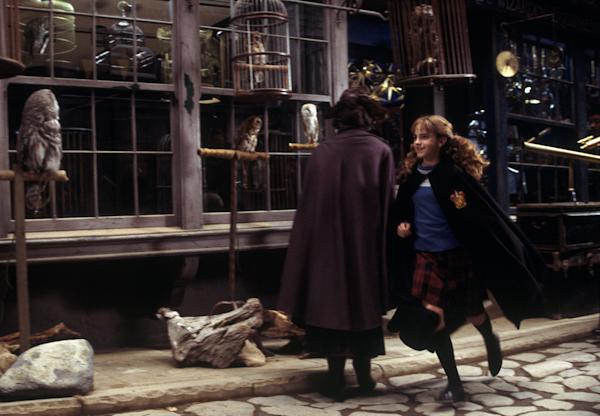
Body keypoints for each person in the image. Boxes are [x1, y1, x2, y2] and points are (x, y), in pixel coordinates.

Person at [390, 115, 546, 403]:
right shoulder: (412, 178)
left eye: (424, 137)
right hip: (426, 256)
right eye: (416, 137)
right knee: (432, 316)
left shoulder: (453, 176)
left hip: (456, 255)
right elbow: (402, 212)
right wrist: (403, 227)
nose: (417, 143)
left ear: (441, 141)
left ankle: (489, 338)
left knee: (472, 309)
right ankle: (454, 383)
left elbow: (472, 215)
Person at [278, 88, 396, 401]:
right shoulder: (380, 151)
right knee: (363, 305)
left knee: (332, 306)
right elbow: (388, 205)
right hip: (366, 246)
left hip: (326, 248)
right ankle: (364, 377)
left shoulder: (323, 152)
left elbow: (308, 209)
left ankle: (334, 379)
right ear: (367, 117)